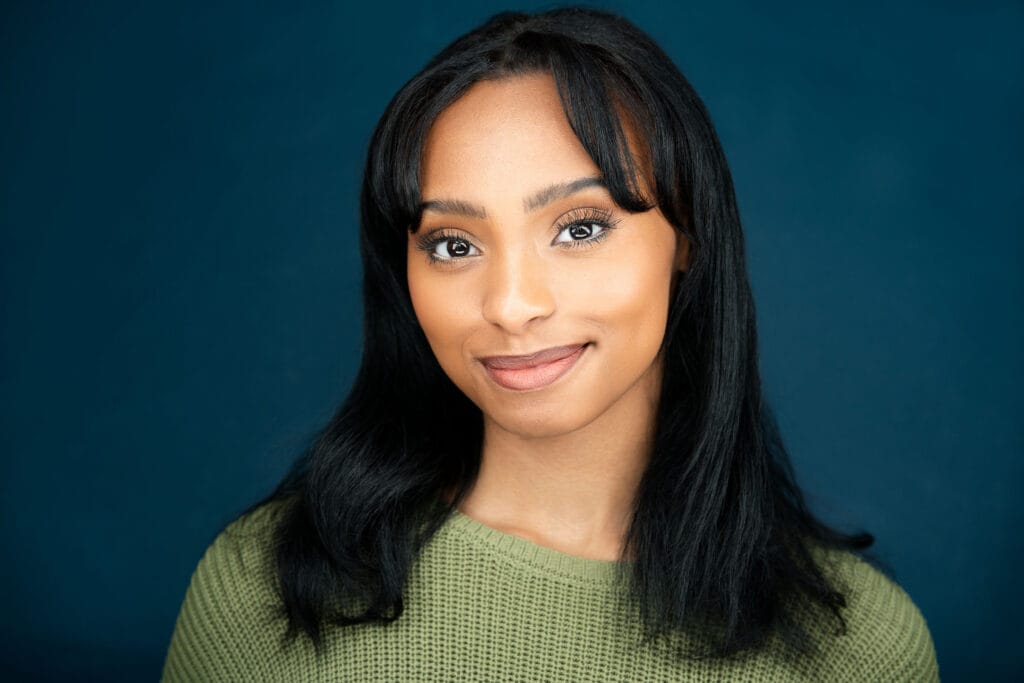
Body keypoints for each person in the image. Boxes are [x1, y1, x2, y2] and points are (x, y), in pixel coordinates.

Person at [162, 7, 939, 681]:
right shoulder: (259, 587)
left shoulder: (863, 647)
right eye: (454, 244)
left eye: (579, 228)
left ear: (688, 240)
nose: (510, 305)